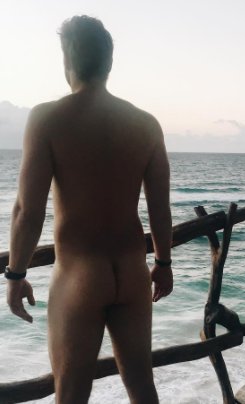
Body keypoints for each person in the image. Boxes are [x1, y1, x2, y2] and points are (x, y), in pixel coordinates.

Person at [5, 15, 172, 404]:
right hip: (132, 275)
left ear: (67, 60)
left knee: (71, 395)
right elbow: (159, 207)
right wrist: (163, 263)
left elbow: (27, 211)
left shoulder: (47, 119)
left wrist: (15, 274)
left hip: (80, 275)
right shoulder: (146, 124)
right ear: (109, 62)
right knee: (142, 387)